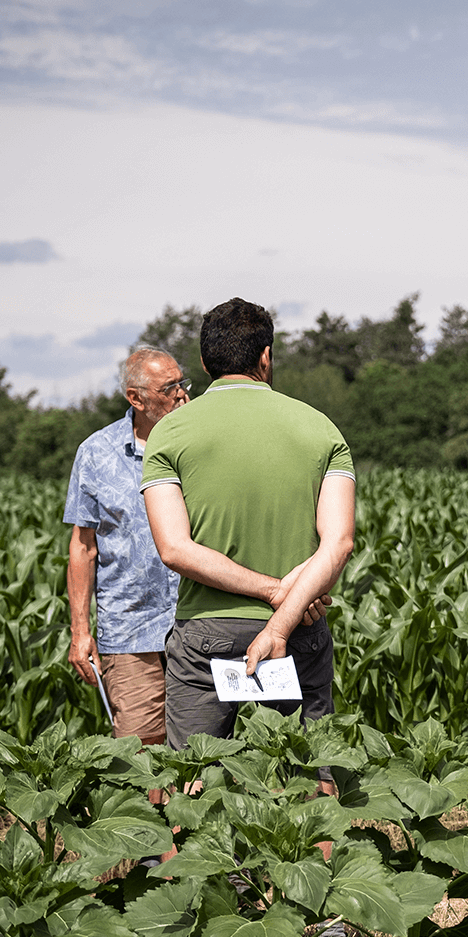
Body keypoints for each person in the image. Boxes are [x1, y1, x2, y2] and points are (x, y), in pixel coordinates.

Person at [140, 298, 354, 775]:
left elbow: (175, 549)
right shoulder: (322, 429)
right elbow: (337, 544)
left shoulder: (168, 434)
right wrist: (284, 608)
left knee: (193, 785)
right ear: (265, 357)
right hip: (296, 629)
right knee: (308, 785)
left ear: (204, 363)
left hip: (206, 634)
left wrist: (268, 589)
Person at [64, 348, 188, 755]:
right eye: (169, 388)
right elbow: (83, 548)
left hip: (196, 621)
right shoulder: (97, 453)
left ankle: (190, 821)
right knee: (140, 746)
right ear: (136, 398)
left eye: (182, 383)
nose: (182, 395)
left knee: (200, 745)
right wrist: (81, 632)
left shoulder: (200, 442)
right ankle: (149, 820)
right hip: (130, 626)